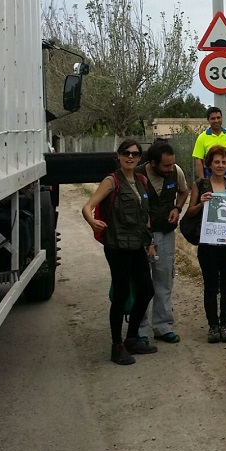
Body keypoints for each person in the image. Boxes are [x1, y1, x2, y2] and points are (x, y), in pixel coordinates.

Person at [82, 138, 157, 365]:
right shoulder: (111, 181)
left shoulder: (142, 180)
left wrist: (150, 241)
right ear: (119, 156)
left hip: (137, 245)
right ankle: (117, 345)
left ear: (140, 157)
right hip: (117, 246)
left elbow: (146, 216)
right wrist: (92, 222)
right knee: (122, 293)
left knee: (146, 290)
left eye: (135, 154)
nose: (130, 157)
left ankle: (132, 337)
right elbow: (87, 206)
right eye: (126, 153)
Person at [186, 145, 226, 343]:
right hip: (208, 242)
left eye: (224, 162)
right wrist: (201, 203)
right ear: (209, 164)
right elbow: (190, 212)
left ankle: (225, 325)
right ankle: (213, 326)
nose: (220, 165)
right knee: (211, 285)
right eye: (216, 162)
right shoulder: (200, 184)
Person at [136, 139, 189, 344]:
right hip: (141, 237)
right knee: (142, 283)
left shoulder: (176, 172)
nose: (170, 169)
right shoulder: (137, 175)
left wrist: (177, 208)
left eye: (172, 164)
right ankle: (139, 329)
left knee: (164, 280)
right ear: (153, 163)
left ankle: (162, 326)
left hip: (166, 234)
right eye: (166, 165)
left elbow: (184, 191)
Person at [193, 106, 226, 179]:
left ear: (222, 118)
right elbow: (198, 161)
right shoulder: (202, 137)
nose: (216, 121)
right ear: (208, 120)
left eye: (218, 118)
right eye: (213, 118)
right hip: (210, 176)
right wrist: (202, 181)